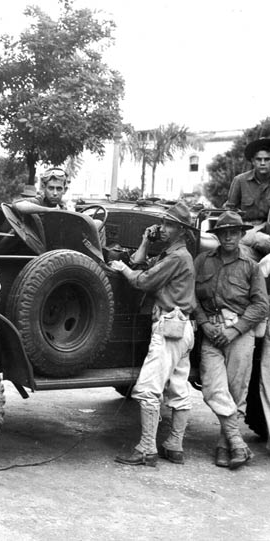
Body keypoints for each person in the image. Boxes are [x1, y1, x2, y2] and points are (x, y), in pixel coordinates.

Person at [109, 202, 196, 466]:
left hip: (169, 326)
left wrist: (122, 269)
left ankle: (147, 447)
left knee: (147, 389)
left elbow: (142, 280)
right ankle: (174, 445)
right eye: (164, 223)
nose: (163, 228)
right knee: (179, 389)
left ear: (181, 230)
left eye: (169, 225)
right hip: (183, 328)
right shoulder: (175, 255)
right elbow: (139, 262)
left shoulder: (176, 258)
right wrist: (146, 240)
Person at [193, 211, 268, 469]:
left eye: (234, 233)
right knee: (213, 389)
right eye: (224, 233)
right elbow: (191, 296)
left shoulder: (250, 267)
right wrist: (203, 323)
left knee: (236, 392)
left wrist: (235, 331)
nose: (229, 237)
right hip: (211, 333)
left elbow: (261, 306)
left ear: (240, 235)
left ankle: (224, 446)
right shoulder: (203, 261)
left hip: (239, 334)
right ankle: (237, 442)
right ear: (218, 236)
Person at [224, 137, 270, 257]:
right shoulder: (240, 181)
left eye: (267, 159)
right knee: (263, 240)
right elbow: (230, 211)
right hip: (246, 230)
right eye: (259, 159)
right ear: (253, 161)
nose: (263, 163)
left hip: (267, 230)